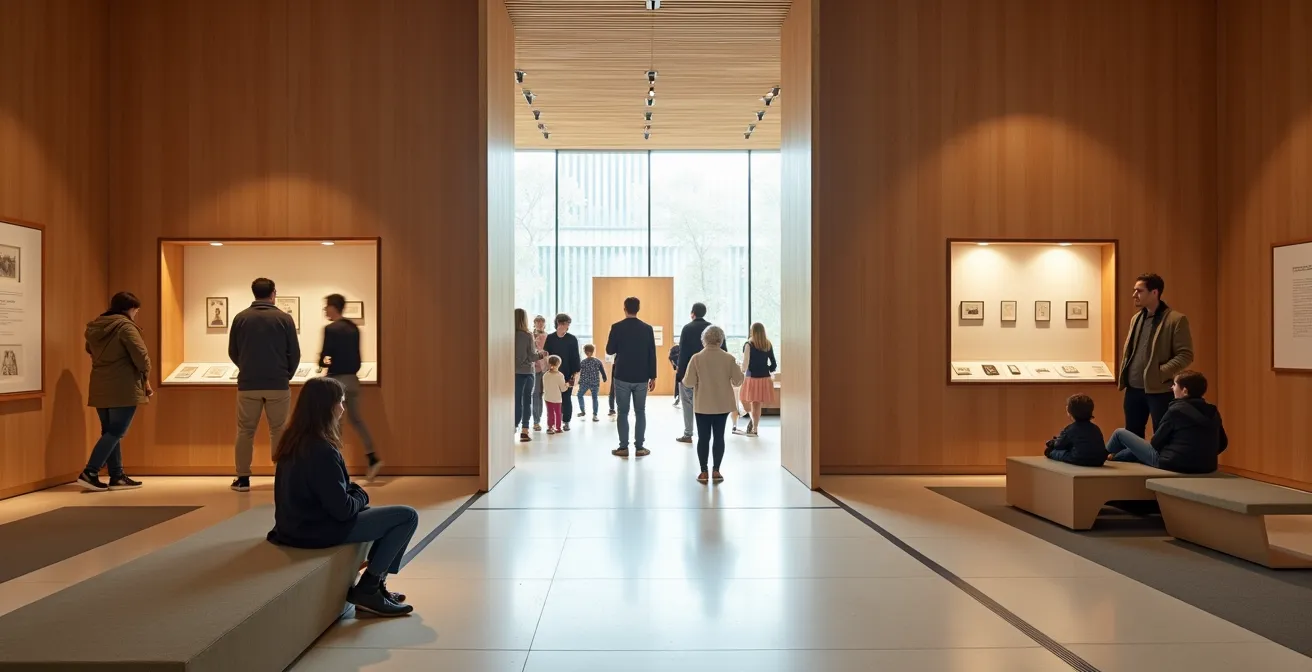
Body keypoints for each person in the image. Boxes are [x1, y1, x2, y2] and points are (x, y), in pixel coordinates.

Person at [266, 377, 417, 618]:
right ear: (327, 407)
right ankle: (369, 588)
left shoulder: (293, 441)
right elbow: (344, 510)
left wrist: (354, 495)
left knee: (378, 514)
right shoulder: (321, 450)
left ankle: (375, 585)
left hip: (294, 526)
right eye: (341, 402)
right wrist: (361, 493)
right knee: (406, 517)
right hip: (314, 530)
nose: (343, 409)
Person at [229, 277, 300, 492]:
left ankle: (242, 479)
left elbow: (233, 351)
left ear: (254, 293)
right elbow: (294, 353)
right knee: (278, 430)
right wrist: (286, 375)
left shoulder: (241, 318)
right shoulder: (284, 319)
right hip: (277, 383)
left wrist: (246, 368)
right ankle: (281, 476)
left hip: (248, 384)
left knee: (245, 431)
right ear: (273, 293)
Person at [77, 291, 152, 492]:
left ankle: (117, 476)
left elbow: (89, 350)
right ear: (130, 309)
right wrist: (145, 376)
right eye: (136, 310)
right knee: (117, 430)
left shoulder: (96, 327)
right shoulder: (126, 327)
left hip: (100, 385)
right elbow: (141, 355)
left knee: (110, 431)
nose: (136, 314)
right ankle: (90, 472)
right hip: (123, 386)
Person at [1107, 370, 1227, 473]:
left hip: (1173, 464)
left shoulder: (1176, 410)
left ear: (1184, 391)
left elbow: (1156, 443)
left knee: (1120, 433)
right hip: (1208, 467)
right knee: (1141, 448)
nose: (1172, 388)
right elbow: (1223, 443)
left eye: (1174, 385)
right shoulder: (1213, 411)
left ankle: (1100, 456)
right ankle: (1115, 457)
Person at [1118, 273, 1194, 438]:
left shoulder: (1176, 320)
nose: (1134, 295)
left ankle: (1159, 464)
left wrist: (1160, 373)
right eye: (1134, 290)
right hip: (1133, 389)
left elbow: (1185, 355)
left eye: (1139, 291)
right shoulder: (1136, 318)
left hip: (1159, 390)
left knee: (1162, 436)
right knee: (1132, 437)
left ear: (1154, 292)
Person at [320, 294, 382, 479]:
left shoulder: (331, 329)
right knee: (357, 420)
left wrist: (321, 363)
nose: (325, 310)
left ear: (333, 307)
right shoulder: (353, 328)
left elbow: (326, 355)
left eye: (326, 307)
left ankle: (335, 466)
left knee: (335, 424)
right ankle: (372, 457)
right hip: (353, 380)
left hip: (337, 381)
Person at [682, 325, 745, 482]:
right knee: (719, 437)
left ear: (704, 339)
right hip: (722, 404)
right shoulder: (729, 358)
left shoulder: (696, 358)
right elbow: (738, 381)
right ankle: (716, 471)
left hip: (702, 404)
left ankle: (703, 472)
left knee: (703, 438)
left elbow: (688, 383)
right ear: (721, 339)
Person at [604, 296, 657, 457]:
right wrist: (653, 376)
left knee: (622, 412)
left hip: (622, 375)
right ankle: (640, 447)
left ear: (624, 308)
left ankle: (623, 447)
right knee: (640, 411)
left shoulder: (616, 327)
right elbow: (651, 354)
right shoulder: (647, 328)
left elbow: (609, 350)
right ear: (638, 308)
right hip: (642, 376)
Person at [675, 303, 727, 444]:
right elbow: (724, 351)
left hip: (690, 372)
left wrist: (680, 374)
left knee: (687, 402)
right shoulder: (714, 329)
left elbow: (683, 352)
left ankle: (688, 433)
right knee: (707, 402)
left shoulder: (687, 328)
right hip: (711, 374)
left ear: (693, 313)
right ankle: (706, 433)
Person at [1043, 394, 1106, 467]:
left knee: (1055, 452)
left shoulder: (1070, 429)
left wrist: (1053, 443)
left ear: (1070, 413)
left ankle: (1050, 453)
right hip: (1099, 460)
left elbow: (1059, 445)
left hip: (1080, 459)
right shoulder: (1096, 428)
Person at [542, 314, 581, 432]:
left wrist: (575, 372)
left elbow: (575, 357)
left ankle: (566, 421)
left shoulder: (572, 339)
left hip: (567, 372)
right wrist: (547, 367)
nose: (566, 326)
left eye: (568, 324)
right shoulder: (550, 338)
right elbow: (546, 354)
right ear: (558, 324)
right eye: (564, 323)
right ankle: (552, 422)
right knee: (553, 398)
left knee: (566, 397)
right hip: (553, 373)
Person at [738, 322, 777, 437]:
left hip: (751, 377)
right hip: (764, 378)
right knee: (757, 404)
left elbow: (745, 364)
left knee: (744, 400)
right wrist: (766, 368)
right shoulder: (767, 344)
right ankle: (755, 427)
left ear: (752, 331)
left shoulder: (748, 344)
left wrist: (741, 368)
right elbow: (774, 364)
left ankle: (753, 422)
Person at [514, 308, 541, 442]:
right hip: (526, 372)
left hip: (512, 372)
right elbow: (531, 357)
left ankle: (512, 427)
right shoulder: (527, 335)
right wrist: (542, 354)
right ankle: (524, 430)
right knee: (526, 401)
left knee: (515, 401)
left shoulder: (508, 334)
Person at [576, 344, 607, 422]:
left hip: (589, 382)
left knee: (593, 398)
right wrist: (604, 377)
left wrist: (604, 377)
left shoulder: (586, 362)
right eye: (586, 352)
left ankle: (593, 414)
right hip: (590, 382)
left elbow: (602, 370)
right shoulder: (591, 361)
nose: (587, 353)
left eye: (587, 352)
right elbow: (578, 370)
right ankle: (588, 413)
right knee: (587, 397)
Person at [541, 355, 568, 434]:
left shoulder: (545, 375)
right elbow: (563, 389)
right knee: (558, 413)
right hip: (557, 398)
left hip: (547, 397)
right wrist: (567, 385)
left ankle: (550, 427)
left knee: (550, 413)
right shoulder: (560, 375)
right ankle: (558, 428)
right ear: (559, 364)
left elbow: (544, 387)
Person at [531, 315, 548, 431]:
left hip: (545, 368)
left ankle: (548, 419)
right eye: (538, 322)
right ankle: (536, 421)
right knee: (535, 394)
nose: (540, 324)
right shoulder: (530, 336)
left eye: (542, 322)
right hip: (533, 367)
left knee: (543, 394)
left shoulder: (548, 336)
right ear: (534, 323)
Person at [668, 341, 682, 407]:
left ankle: (677, 397)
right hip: (686, 371)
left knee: (678, 382)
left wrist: (675, 367)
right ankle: (677, 397)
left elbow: (675, 367)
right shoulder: (682, 352)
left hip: (680, 373)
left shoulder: (671, 357)